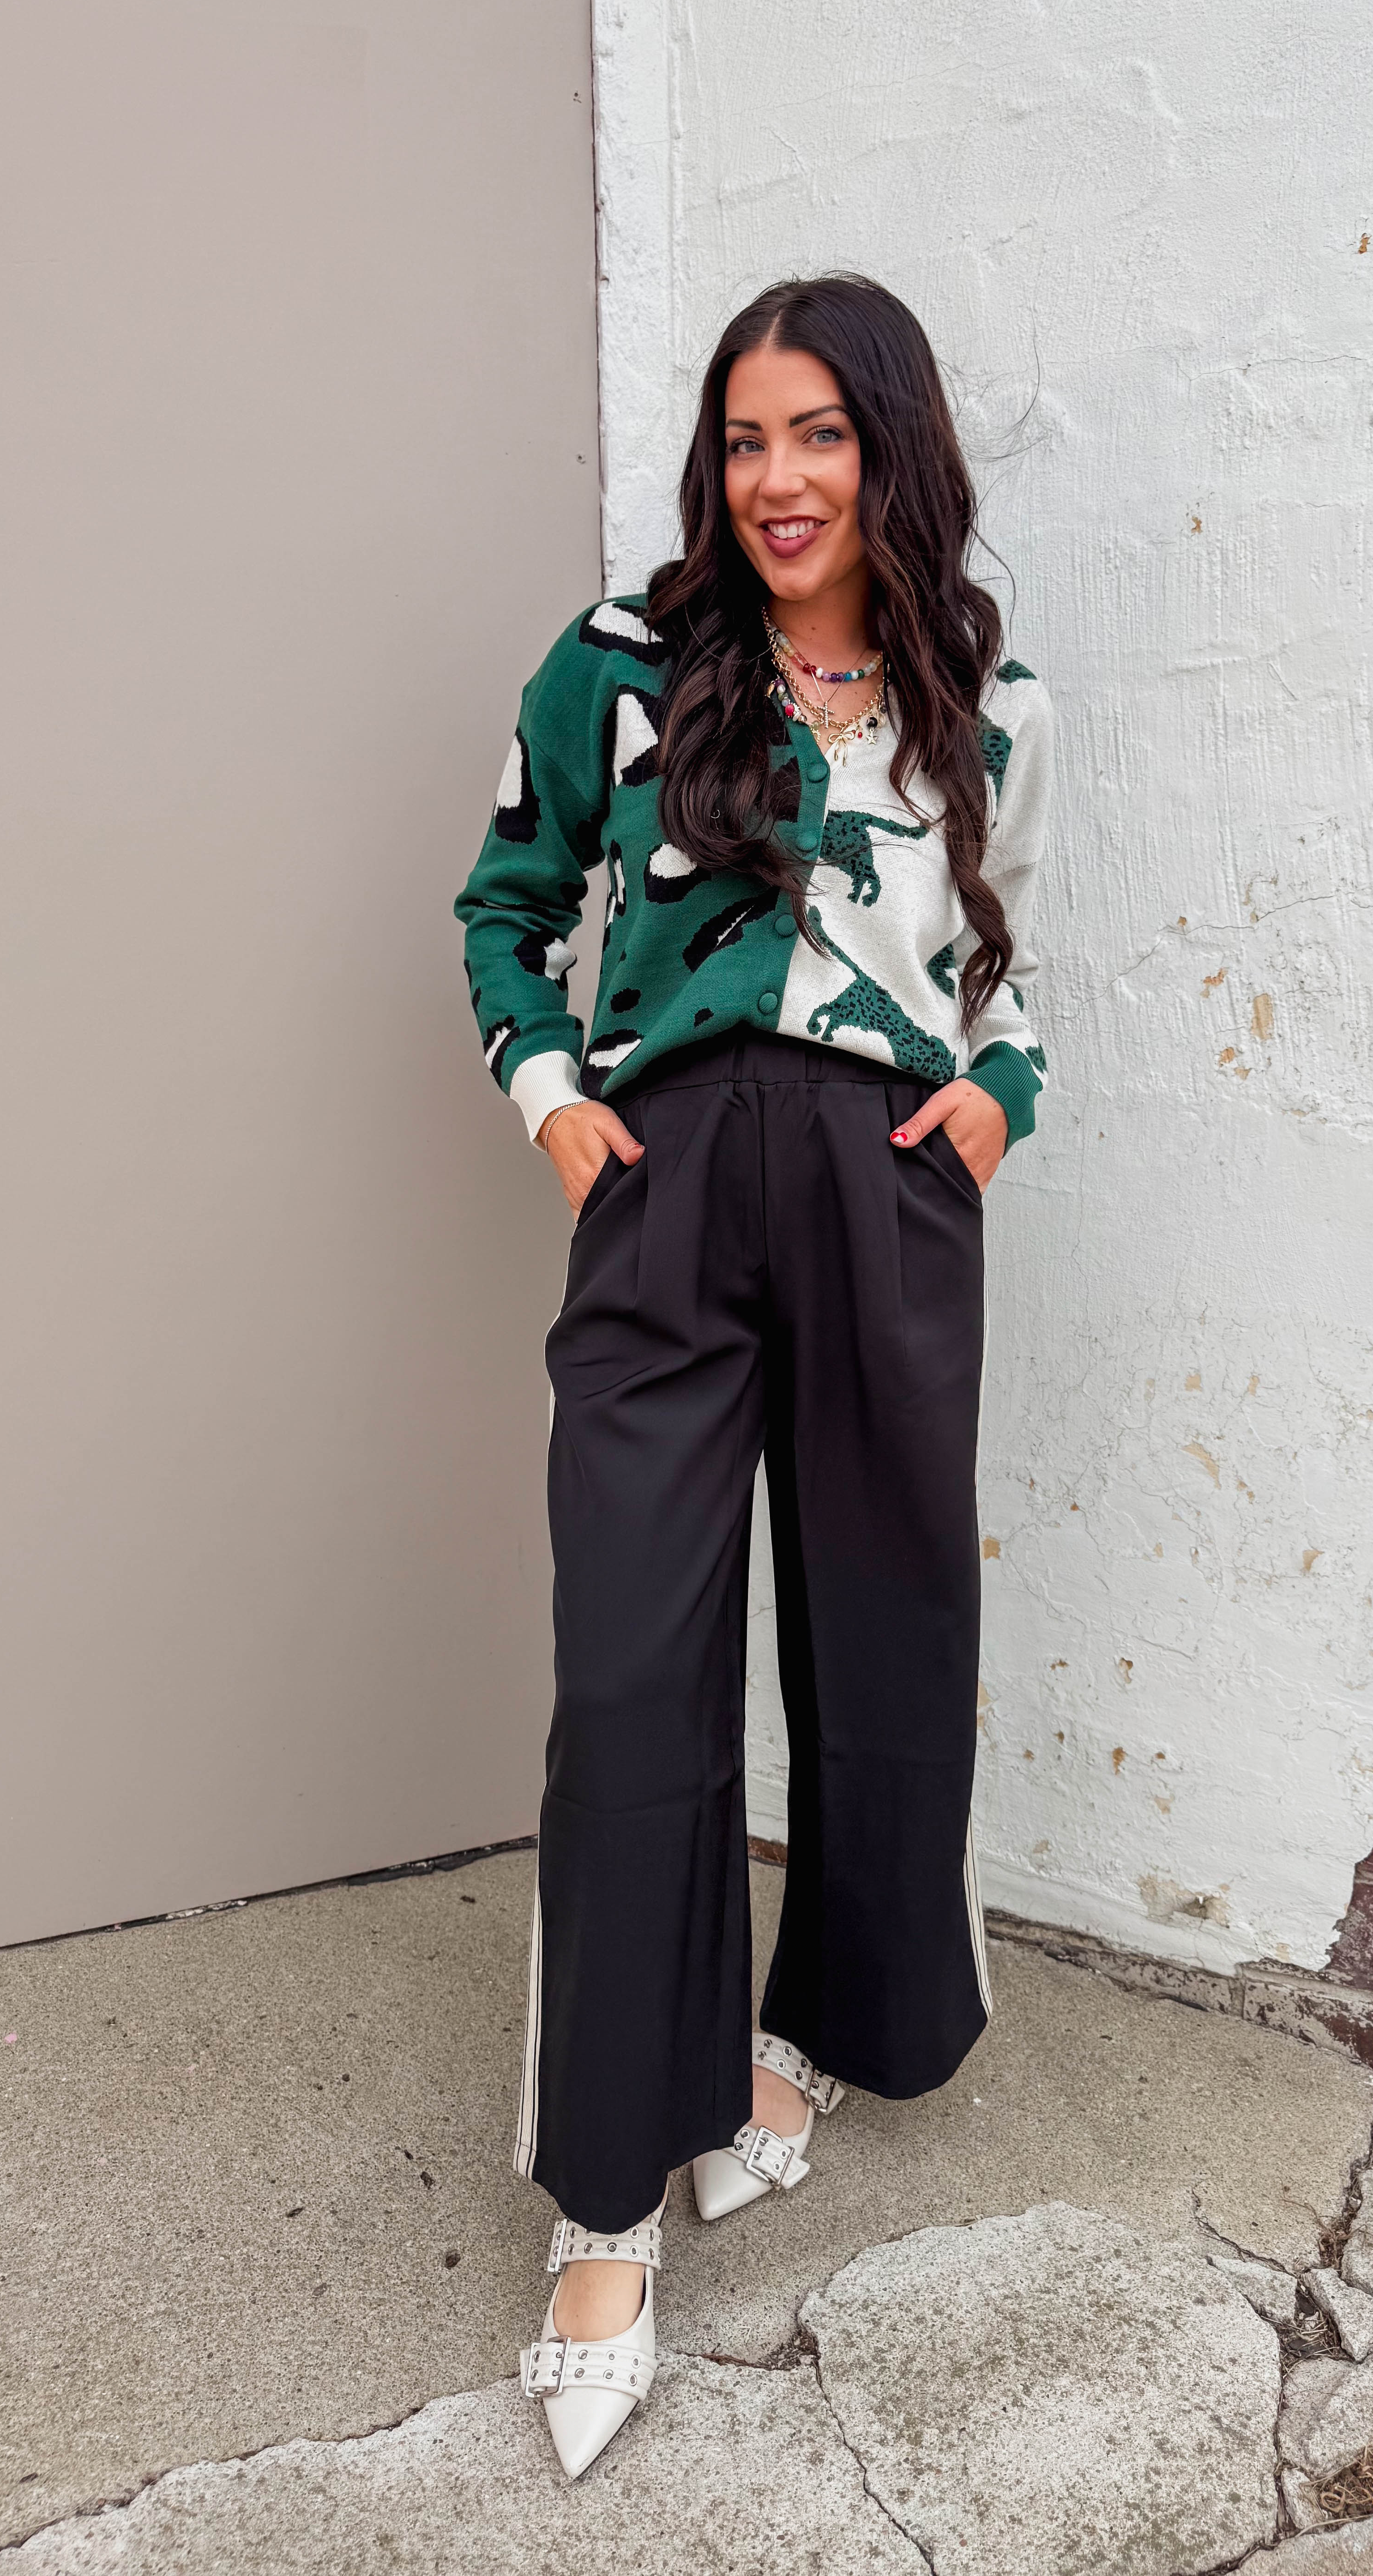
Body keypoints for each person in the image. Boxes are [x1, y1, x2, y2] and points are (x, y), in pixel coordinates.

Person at [454, 272, 1055, 2479]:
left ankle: (812, 2037)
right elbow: (504, 902)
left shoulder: (987, 699)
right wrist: (553, 1098)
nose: (778, 480)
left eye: (819, 435)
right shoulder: (622, 663)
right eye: (743, 439)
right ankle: (609, 2201)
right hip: (672, 1178)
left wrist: (995, 1103)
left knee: (892, 1637)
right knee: (632, 1678)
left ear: (892, 450)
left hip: (889, 1189)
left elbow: (1013, 967)